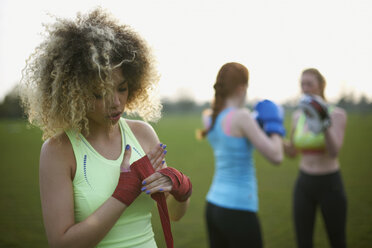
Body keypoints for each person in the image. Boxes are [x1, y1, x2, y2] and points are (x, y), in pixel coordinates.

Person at [20, 8, 191, 248]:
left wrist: (180, 189)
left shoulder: (143, 134)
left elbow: (173, 214)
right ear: (74, 94)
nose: (116, 102)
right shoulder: (59, 150)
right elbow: (62, 243)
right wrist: (123, 194)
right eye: (100, 94)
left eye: (122, 88)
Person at [199, 62, 285, 248]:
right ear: (241, 88)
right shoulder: (242, 118)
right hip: (238, 208)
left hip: (214, 205)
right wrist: (274, 125)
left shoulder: (209, 117)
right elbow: (277, 156)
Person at [283, 68, 347, 248]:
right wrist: (275, 135)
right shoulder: (298, 116)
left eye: (309, 84)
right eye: (302, 84)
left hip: (330, 184)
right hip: (304, 183)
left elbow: (334, 151)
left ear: (321, 86)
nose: (304, 88)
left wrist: (323, 122)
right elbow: (292, 153)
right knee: (303, 242)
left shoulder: (337, 114)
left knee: (337, 241)